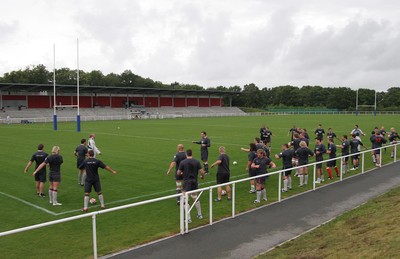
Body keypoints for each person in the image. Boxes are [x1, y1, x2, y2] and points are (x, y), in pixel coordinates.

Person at [178, 149, 205, 223]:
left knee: (185, 199)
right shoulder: (196, 161)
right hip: (194, 182)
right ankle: (199, 214)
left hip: (186, 182)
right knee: (195, 197)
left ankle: (188, 218)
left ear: (186, 154)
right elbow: (202, 171)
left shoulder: (183, 162)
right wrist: (202, 177)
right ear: (191, 154)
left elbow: (178, 173)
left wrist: (181, 173)